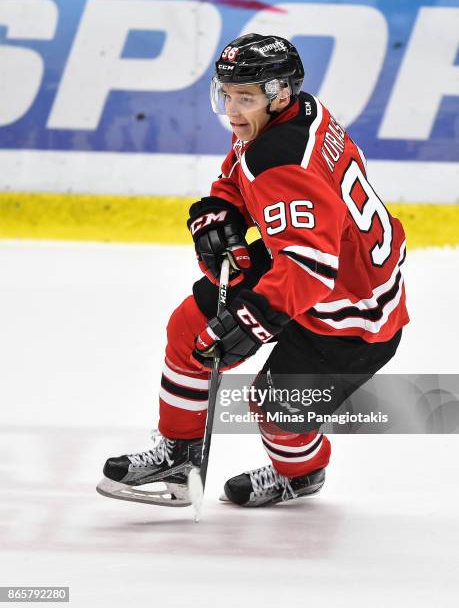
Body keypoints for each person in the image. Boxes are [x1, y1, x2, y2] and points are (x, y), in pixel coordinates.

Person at [96, 34, 409, 508]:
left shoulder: (282, 157)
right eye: (226, 94)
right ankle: (178, 455)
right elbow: (240, 174)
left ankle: (300, 474)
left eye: (245, 97)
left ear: (280, 92)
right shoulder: (288, 116)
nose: (233, 109)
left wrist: (256, 317)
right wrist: (222, 210)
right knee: (190, 329)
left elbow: (310, 265)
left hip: (352, 315)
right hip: (318, 269)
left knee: (275, 407)